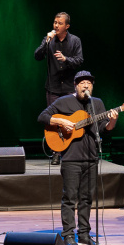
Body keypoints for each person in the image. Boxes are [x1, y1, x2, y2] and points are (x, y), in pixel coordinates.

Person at [37, 71, 117, 245]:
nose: (86, 86)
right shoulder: (63, 101)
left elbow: (104, 129)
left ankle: (84, 234)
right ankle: (68, 234)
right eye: (82, 83)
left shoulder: (97, 103)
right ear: (75, 85)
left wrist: (112, 121)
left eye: (89, 83)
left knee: (87, 198)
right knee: (69, 198)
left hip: (91, 157)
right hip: (71, 158)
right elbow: (42, 117)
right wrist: (62, 122)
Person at [34, 12, 83, 165]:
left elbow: (79, 60)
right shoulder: (49, 40)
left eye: (59, 23)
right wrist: (46, 42)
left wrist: (65, 59)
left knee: (71, 119)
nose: (56, 25)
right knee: (53, 120)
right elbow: (37, 56)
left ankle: (70, 152)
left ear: (67, 26)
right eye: (55, 22)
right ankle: (56, 152)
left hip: (69, 87)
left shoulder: (75, 41)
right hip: (53, 87)